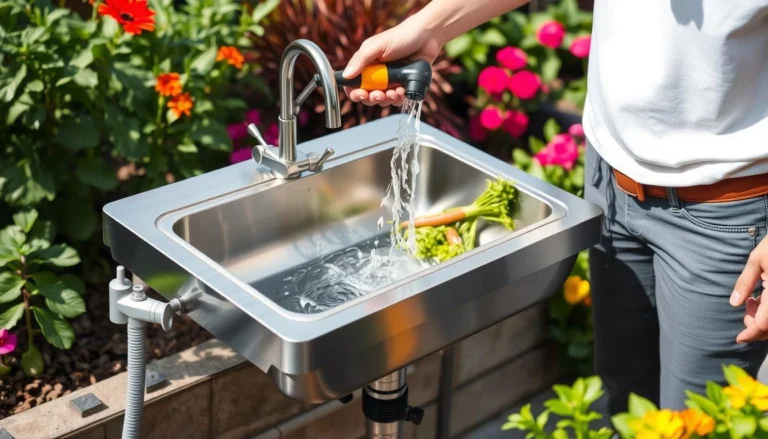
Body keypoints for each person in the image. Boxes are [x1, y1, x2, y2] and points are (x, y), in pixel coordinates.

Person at [342, 0, 768, 413]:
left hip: (724, 211)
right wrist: (429, 28)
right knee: (625, 400)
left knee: (698, 420)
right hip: (609, 180)